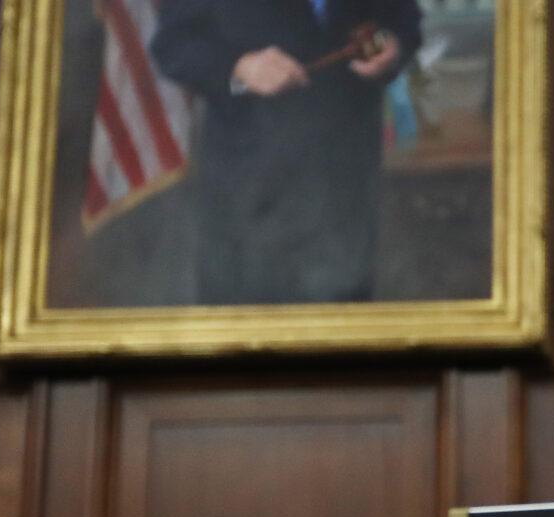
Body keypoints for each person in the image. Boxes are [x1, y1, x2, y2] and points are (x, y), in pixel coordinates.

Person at [151, 0, 422, 304]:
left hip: (346, 182)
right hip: (251, 193)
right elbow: (171, 46)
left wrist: (394, 47)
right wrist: (239, 67)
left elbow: (405, 20)